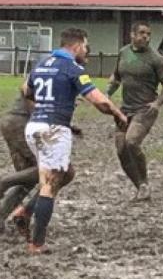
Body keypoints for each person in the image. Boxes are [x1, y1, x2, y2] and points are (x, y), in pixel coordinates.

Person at [11, 28, 127, 254]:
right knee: (50, 184)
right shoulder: (73, 69)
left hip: (34, 127)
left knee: (67, 173)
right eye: (85, 46)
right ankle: (36, 243)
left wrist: (45, 105)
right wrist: (118, 114)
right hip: (53, 130)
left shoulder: (42, 64)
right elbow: (99, 101)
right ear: (76, 46)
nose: (86, 50)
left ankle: (25, 211)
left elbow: (26, 89)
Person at [106, 21, 163, 201]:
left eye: (148, 34)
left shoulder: (156, 59)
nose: (146, 37)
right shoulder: (123, 53)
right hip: (125, 109)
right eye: (142, 33)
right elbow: (116, 77)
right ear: (132, 35)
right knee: (121, 150)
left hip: (144, 109)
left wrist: (158, 103)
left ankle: (143, 182)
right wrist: (106, 94)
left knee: (131, 142)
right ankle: (141, 188)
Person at [0, 95, 39, 234]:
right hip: (22, 124)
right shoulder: (56, 76)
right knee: (47, 171)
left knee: (27, 177)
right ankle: (1, 182)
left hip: (12, 121)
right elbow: (29, 95)